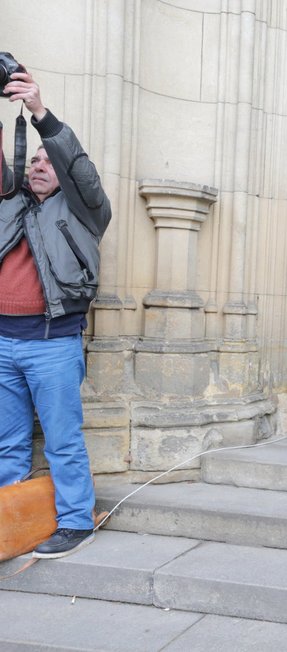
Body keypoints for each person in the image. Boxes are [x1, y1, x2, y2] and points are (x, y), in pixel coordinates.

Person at [0, 70, 112, 558]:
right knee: (7, 444)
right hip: (2, 343)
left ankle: (74, 522)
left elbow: (79, 166)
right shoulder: (8, 202)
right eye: (35, 160)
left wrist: (41, 114)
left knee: (63, 441)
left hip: (52, 344)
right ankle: (10, 520)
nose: (41, 165)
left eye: (50, 160)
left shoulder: (85, 208)